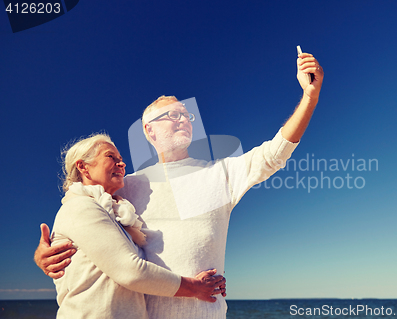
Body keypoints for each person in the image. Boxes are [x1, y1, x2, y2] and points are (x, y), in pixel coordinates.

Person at [35, 51, 324, 318]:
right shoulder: (127, 187)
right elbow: (82, 220)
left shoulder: (221, 174)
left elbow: (274, 153)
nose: (183, 119)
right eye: (172, 115)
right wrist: (45, 255)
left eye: (186, 115)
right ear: (149, 131)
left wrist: (310, 97)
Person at [50, 133, 226, 318]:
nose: (122, 163)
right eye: (111, 157)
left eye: (121, 159)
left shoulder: (115, 213)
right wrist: (195, 288)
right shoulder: (80, 207)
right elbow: (131, 271)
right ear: (83, 167)